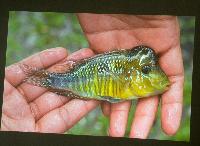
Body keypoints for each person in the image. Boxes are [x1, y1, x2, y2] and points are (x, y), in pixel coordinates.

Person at [1, 14, 184, 139]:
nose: (151, 74)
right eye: (146, 70)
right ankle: (44, 78)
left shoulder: (136, 78)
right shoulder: (129, 76)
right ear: (132, 74)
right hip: (79, 76)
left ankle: (41, 77)